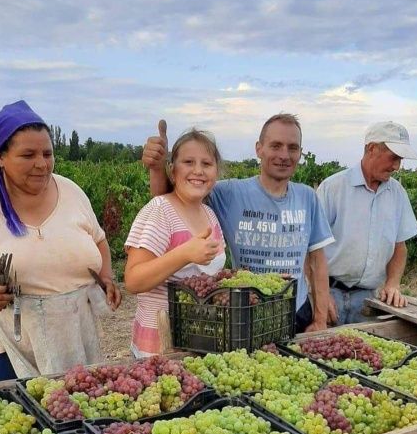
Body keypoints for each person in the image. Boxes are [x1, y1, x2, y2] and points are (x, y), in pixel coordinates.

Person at [0, 100, 121, 382]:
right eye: (28, 155)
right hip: (11, 347)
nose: (42, 164)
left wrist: (106, 276)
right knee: (25, 420)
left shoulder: (71, 192)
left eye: (47, 153)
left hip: (76, 336)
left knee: (82, 413)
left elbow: (99, 240)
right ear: (0, 157)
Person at [142, 113, 333, 332]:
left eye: (292, 147)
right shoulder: (228, 193)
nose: (284, 155)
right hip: (245, 313)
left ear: (300, 153)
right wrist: (157, 169)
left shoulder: (308, 197)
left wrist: (319, 319)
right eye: (276, 146)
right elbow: (174, 200)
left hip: (297, 312)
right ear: (259, 149)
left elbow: (318, 262)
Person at [125, 128, 225, 356]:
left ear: (216, 172)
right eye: (188, 162)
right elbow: (133, 280)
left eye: (206, 164)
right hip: (160, 346)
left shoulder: (210, 215)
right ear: (172, 169)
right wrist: (184, 254)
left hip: (200, 340)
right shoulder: (160, 211)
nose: (198, 170)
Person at [315, 120, 417, 326]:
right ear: (372, 148)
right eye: (394, 157)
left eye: (400, 159)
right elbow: (312, 247)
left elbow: (399, 247)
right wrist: (320, 294)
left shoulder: (397, 194)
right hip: (330, 294)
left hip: (369, 299)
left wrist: (392, 284)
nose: (397, 166)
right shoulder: (333, 188)